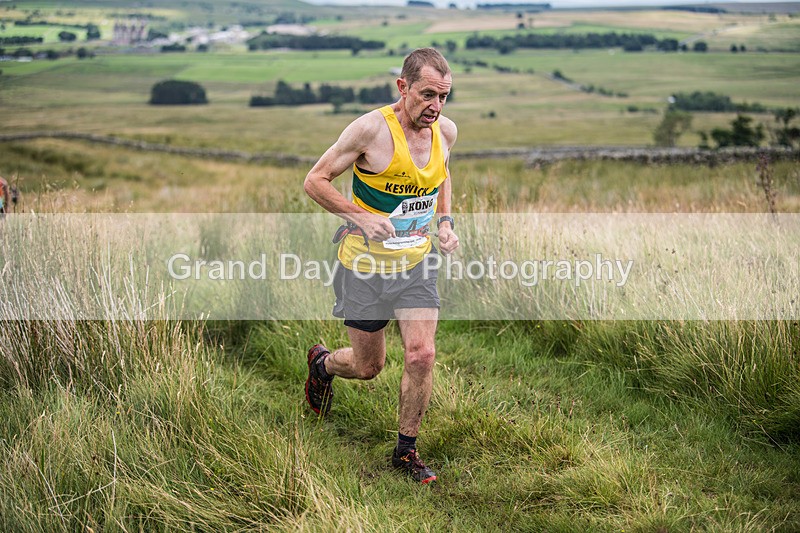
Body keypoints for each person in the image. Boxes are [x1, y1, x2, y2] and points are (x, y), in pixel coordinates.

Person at [303, 47, 459, 484]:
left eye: (444, 97)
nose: (435, 106)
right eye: (427, 95)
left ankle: (406, 453)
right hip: (363, 269)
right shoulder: (370, 130)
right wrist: (361, 217)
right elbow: (314, 180)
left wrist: (444, 223)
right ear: (403, 87)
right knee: (369, 367)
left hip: (416, 265)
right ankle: (323, 365)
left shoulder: (445, 132)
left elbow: (441, 175)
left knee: (422, 354)